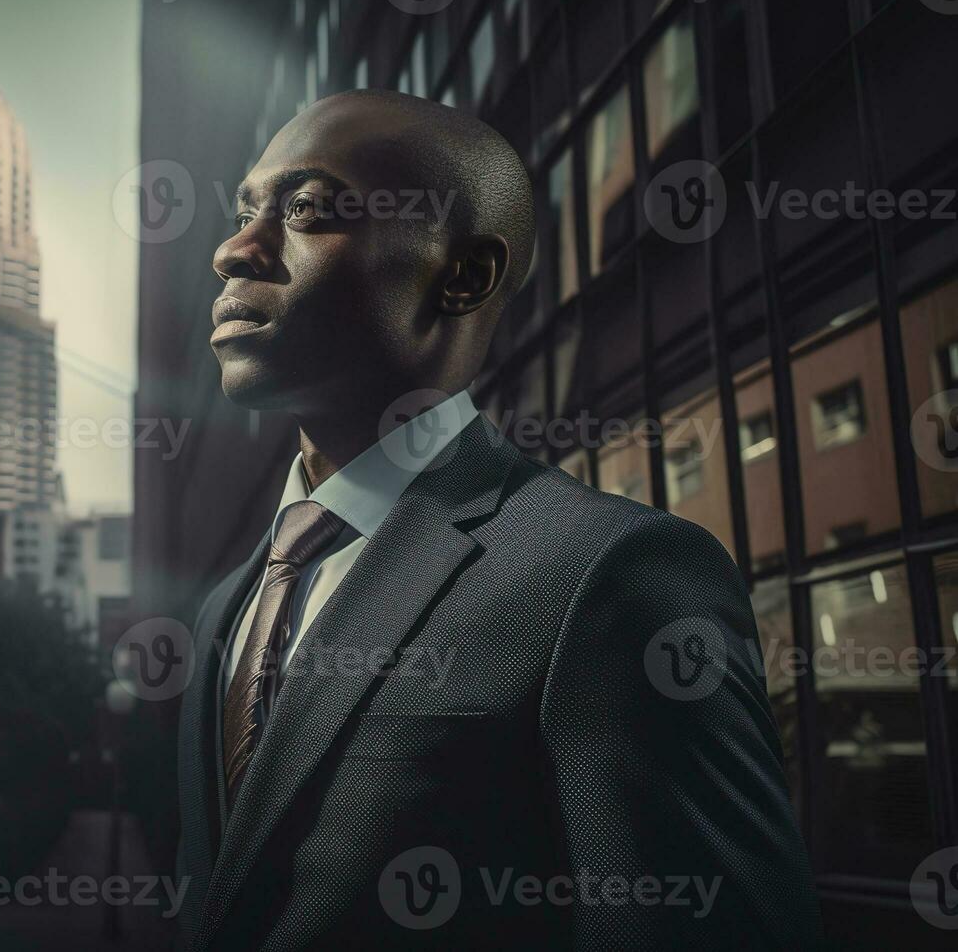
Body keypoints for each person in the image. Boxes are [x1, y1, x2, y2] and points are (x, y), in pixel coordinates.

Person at [174, 89, 821, 950]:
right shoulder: (226, 608)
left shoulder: (612, 575)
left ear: (465, 274)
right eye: (247, 210)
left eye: (306, 210)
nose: (234, 251)